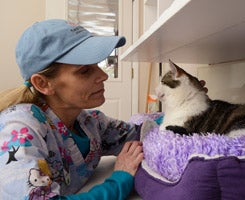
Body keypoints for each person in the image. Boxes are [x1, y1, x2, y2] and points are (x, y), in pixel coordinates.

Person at [0, 19, 143, 200]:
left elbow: (141, 133)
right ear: (43, 83)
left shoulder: (91, 123)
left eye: (97, 65)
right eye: (84, 71)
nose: (103, 75)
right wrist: (120, 180)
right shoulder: (19, 130)